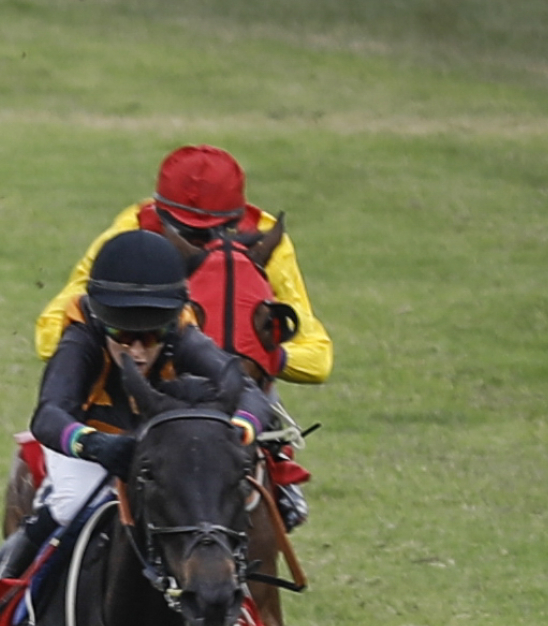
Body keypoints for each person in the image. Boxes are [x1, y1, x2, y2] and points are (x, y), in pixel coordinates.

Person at [0, 230, 279, 626]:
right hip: (91, 443)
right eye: (125, 337)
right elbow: (49, 416)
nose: (139, 350)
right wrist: (97, 447)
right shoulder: (81, 336)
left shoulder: (181, 330)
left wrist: (239, 428)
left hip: (159, 443)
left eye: (151, 337)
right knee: (63, 506)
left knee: (206, 514)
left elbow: (246, 390)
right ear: (103, 323)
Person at [35, 144, 331, 527]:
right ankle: (18, 573)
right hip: (101, 416)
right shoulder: (127, 237)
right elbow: (47, 337)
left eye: (216, 232)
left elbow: (317, 359)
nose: (201, 246)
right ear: (160, 215)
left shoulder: (265, 242)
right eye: (187, 233)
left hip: (193, 398)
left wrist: (258, 359)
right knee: (71, 508)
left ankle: (278, 486)